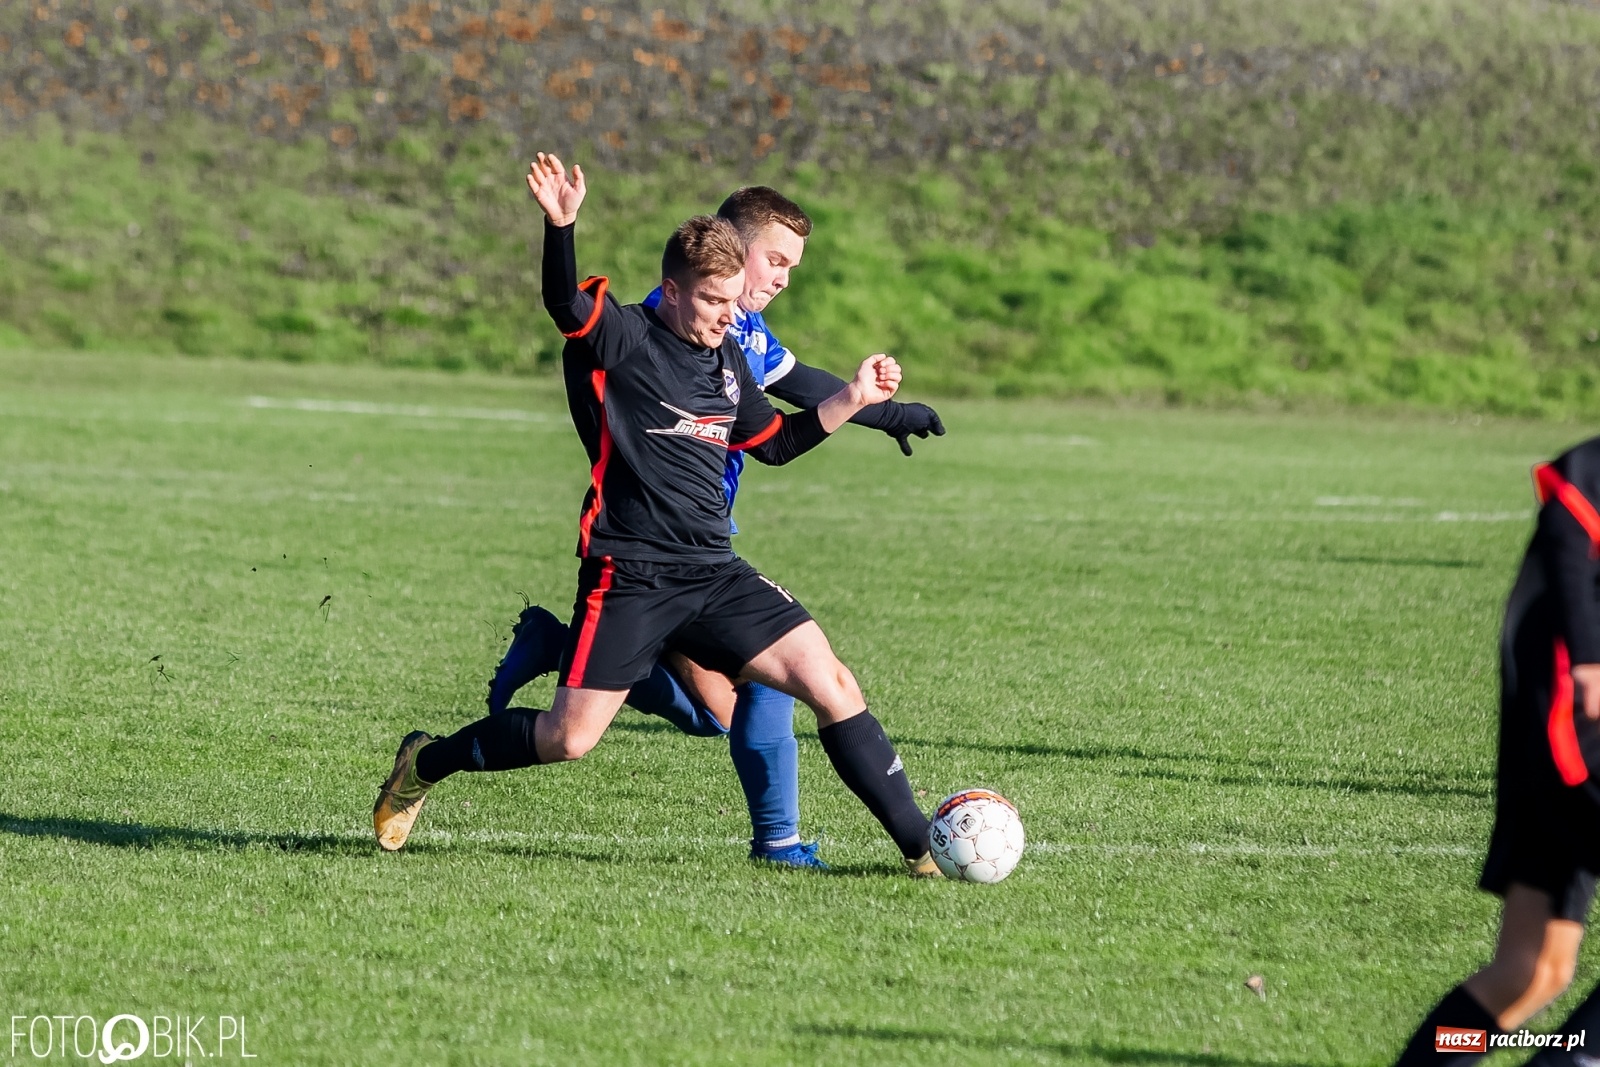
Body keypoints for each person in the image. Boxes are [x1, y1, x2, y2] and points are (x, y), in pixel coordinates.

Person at [373, 153, 940, 877]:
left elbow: (775, 444)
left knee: (832, 683)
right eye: (712, 302)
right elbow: (564, 305)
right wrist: (561, 226)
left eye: (734, 303)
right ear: (672, 291)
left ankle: (923, 848)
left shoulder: (730, 356)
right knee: (568, 738)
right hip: (630, 571)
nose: (727, 317)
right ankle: (428, 760)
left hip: (715, 568)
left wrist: (856, 399)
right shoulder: (625, 337)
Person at [1393, 438, 1600, 1062]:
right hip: (1574, 735)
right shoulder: (1592, 467)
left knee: (1533, 969)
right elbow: (1569, 520)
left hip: (1552, 749)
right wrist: (1591, 658)